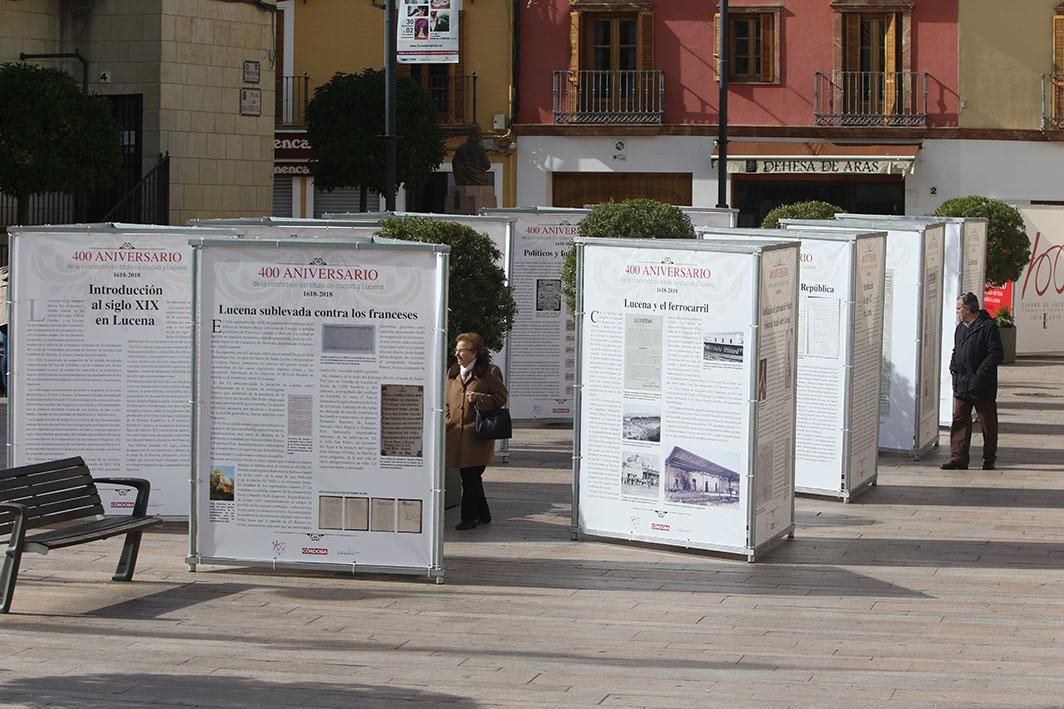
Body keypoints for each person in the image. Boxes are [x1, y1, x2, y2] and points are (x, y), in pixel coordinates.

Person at [445, 332, 508, 530]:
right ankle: (484, 513)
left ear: (475, 352)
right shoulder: (452, 372)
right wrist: (448, 419)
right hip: (455, 435)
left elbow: (501, 398)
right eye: (456, 350)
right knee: (471, 477)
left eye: (462, 350)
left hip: (477, 436)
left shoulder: (490, 372)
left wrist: (480, 398)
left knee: (470, 477)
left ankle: (469, 518)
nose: (457, 354)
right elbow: (447, 401)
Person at [942, 292, 1003, 471]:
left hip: (982, 385)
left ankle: (989, 458)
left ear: (968, 309)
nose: (957, 312)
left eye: (959, 308)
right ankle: (958, 458)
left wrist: (979, 376)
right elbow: (957, 349)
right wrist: (953, 367)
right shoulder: (961, 327)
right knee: (959, 419)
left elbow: (996, 354)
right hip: (962, 383)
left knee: (987, 423)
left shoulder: (988, 327)